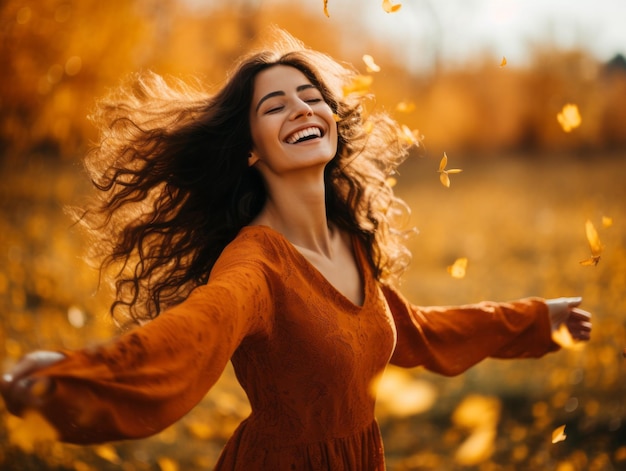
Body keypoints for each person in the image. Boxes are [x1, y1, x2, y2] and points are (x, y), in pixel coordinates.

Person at [1, 28, 591, 470]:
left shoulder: (347, 239)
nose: (302, 109)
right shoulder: (255, 264)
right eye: (274, 105)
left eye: (310, 96)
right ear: (251, 149)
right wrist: (74, 379)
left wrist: (539, 320)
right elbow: (190, 338)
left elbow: (414, 333)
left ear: (331, 121)